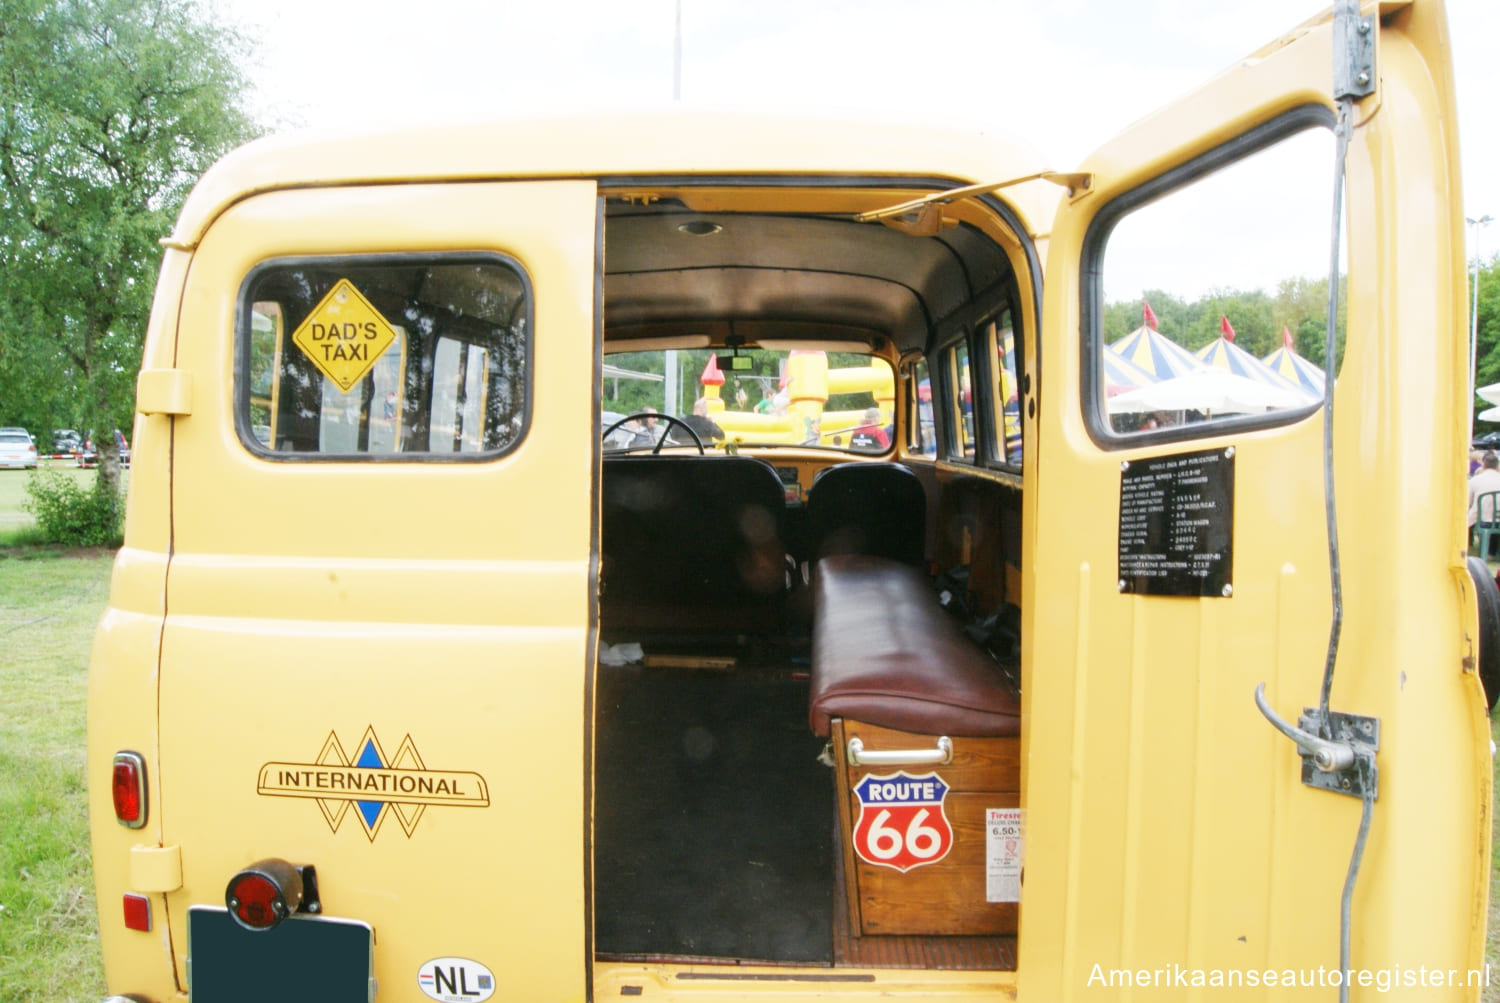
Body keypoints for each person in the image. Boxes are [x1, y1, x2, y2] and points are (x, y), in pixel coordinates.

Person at [1468, 450, 1500, 529]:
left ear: (1483, 466)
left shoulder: (1474, 480)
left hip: (1482, 520)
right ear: (1497, 466)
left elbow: (1468, 502)